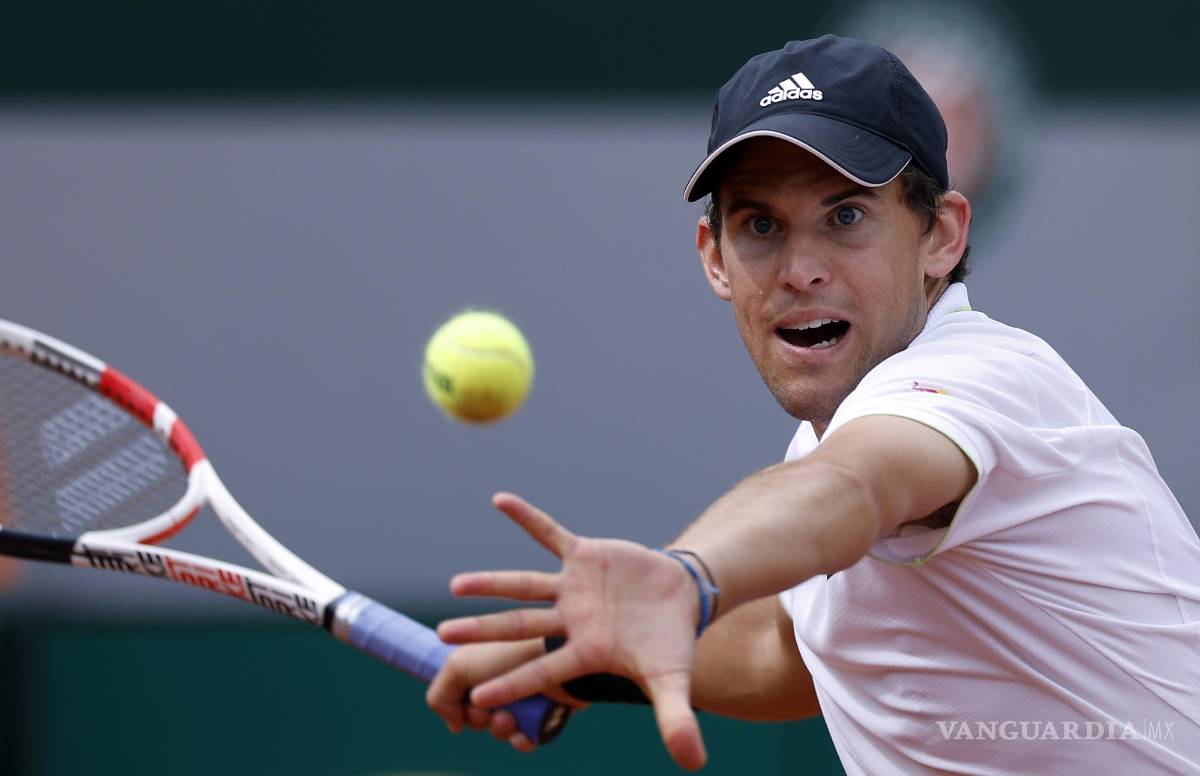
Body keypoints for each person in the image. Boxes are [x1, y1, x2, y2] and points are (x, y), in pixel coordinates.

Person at [425, 35, 1200, 774]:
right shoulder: (826, 447)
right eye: (760, 225)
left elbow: (851, 488)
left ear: (942, 236)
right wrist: (578, 657)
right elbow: (791, 653)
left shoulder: (981, 381)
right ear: (715, 259)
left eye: (847, 217)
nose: (801, 269)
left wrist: (686, 577)